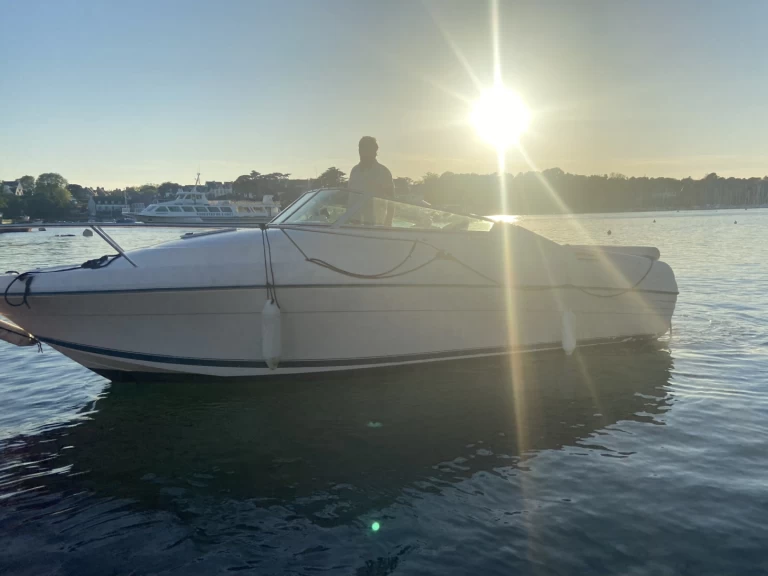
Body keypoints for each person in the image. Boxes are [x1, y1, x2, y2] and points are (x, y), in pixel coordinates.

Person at [348, 136, 394, 225]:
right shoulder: (354, 171)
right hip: (353, 224)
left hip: (374, 225)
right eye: (361, 148)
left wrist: (388, 223)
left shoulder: (383, 172)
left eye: (366, 148)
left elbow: (392, 200)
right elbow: (349, 197)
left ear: (374, 150)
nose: (362, 151)